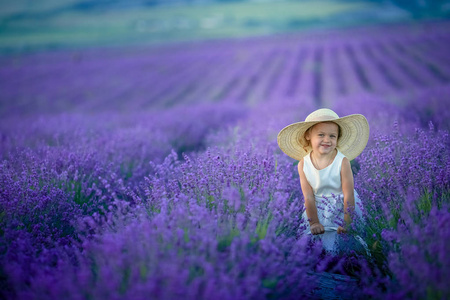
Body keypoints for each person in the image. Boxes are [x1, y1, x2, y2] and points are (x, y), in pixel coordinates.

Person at [277, 108, 369, 253]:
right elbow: (308, 196)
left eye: (332, 136)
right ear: (308, 136)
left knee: (344, 245)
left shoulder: (342, 161)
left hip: (343, 207)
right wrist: (313, 222)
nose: (327, 140)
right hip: (317, 208)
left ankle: (349, 261)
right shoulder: (303, 164)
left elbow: (348, 194)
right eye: (321, 135)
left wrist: (347, 222)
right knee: (315, 244)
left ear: (338, 138)